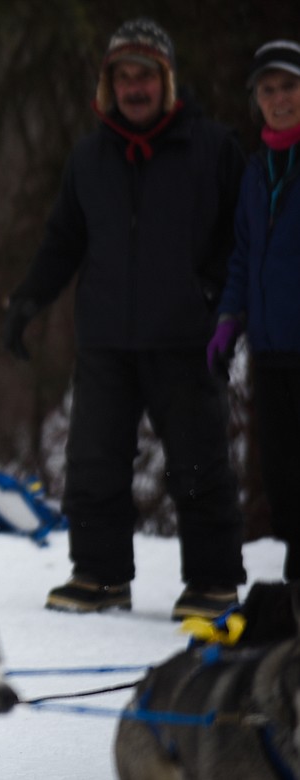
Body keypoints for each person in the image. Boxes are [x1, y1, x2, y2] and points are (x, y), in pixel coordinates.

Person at [0, 18, 247, 620]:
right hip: (108, 335)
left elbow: (238, 237)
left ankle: (212, 583)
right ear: (110, 86)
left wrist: (217, 300)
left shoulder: (212, 147)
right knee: (93, 462)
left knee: (196, 464)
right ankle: (100, 575)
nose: (134, 88)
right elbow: (64, 240)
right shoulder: (90, 157)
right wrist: (28, 302)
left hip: (186, 337)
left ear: (166, 81)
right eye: (123, 77)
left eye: (145, 76)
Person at [208, 41, 300, 582]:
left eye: (289, 86)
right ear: (256, 101)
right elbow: (244, 255)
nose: (279, 98)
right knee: (283, 477)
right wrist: (228, 320)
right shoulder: (255, 171)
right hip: (269, 351)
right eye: (268, 89)